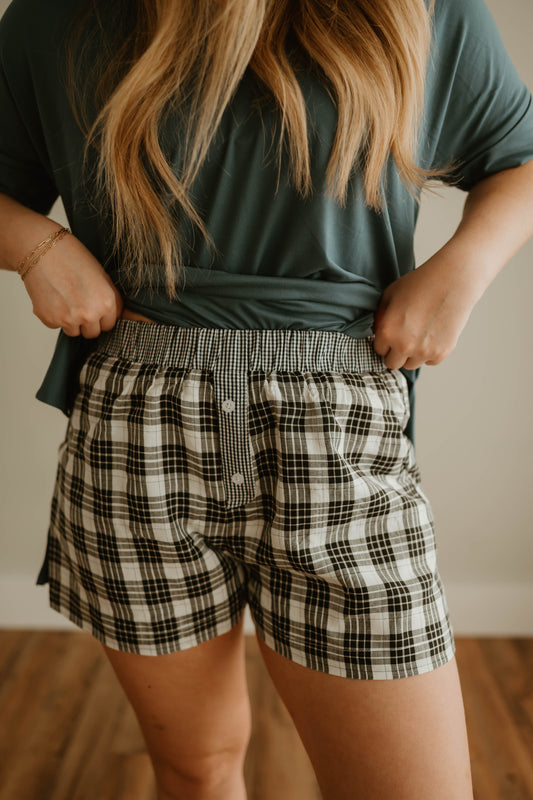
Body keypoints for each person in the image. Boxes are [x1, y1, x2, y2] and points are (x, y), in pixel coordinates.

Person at [1, 0, 533, 797]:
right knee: (197, 768)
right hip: (134, 433)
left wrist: (459, 273)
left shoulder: (419, 9)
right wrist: (38, 245)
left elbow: (518, 158)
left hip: (341, 430)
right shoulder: (59, 14)